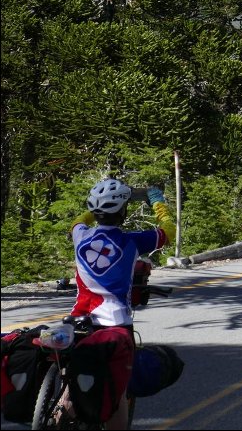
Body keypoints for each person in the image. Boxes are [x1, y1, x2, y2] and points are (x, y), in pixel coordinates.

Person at [68, 177, 176, 430]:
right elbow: (168, 231)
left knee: (72, 369)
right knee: (118, 390)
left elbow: (78, 222)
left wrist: (96, 208)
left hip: (78, 318)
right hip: (114, 322)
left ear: (95, 211)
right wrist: (157, 202)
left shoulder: (80, 235)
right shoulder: (134, 241)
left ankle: (59, 412)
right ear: (123, 212)